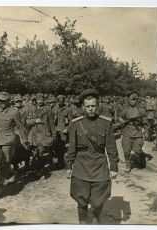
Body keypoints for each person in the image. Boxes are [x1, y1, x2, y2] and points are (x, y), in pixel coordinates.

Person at [65, 89, 119, 224]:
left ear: (98, 106)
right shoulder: (76, 124)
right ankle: (82, 221)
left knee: (99, 197)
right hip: (81, 164)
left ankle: (97, 217)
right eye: (87, 106)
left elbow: (111, 147)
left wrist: (114, 167)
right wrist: (68, 166)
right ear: (83, 107)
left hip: (99, 164)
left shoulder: (106, 123)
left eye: (93, 106)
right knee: (80, 197)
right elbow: (71, 147)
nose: (90, 109)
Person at [0, 92, 29, 196]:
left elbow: (20, 127)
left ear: (8, 102)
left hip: (9, 141)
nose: (0, 103)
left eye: (3, 101)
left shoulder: (14, 112)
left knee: (4, 163)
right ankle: (13, 173)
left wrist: (25, 140)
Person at [26, 93, 56, 178]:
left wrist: (54, 134)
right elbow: (28, 122)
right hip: (34, 135)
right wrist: (35, 121)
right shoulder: (32, 109)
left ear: (44, 100)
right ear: (36, 100)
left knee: (41, 152)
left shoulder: (48, 109)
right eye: (38, 100)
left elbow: (51, 123)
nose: (40, 101)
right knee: (35, 153)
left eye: (41, 99)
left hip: (44, 135)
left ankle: (40, 170)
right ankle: (38, 168)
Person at [118, 93, 147, 172]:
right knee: (126, 151)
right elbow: (119, 117)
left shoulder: (141, 110)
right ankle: (128, 166)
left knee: (137, 150)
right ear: (129, 100)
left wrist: (146, 131)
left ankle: (141, 156)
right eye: (132, 100)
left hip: (137, 132)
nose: (133, 102)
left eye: (135, 100)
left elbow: (145, 122)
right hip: (127, 132)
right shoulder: (125, 109)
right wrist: (122, 121)